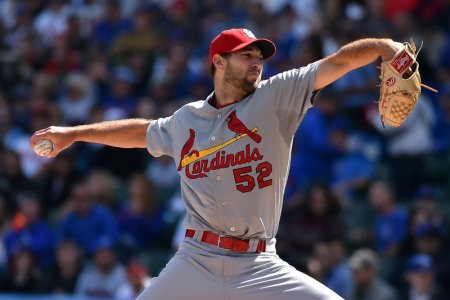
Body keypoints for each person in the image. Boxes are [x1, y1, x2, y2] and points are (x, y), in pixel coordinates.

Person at [30, 28, 406, 300]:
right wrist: (74, 134)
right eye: (246, 56)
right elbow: (140, 132)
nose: (256, 63)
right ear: (218, 62)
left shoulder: (277, 95)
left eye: (259, 57)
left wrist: (384, 47)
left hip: (260, 263)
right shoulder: (186, 120)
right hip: (196, 259)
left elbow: (338, 62)